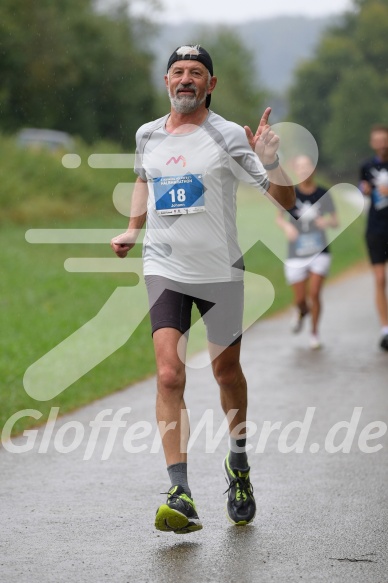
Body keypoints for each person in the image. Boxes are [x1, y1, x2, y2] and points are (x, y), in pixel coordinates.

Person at [111, 44, 295, 533]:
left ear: (210, 84)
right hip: (164, 267)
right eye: (178, 71)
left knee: (226, 371)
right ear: (166, 81)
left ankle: (238, 463)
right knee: (170, 374)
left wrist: (273, 162)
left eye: (196, 72)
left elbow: (283, 201)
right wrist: (133, 226)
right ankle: (180, 490)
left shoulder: (230, 134)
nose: (186, 78)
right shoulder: (147, 133)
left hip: (220, 271)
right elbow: (142, 180)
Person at [276, 155, 338, 349]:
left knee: (315, 293)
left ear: (314, 170)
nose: (304, 170)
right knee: (301, 299)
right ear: (296, 171)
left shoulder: (324, 193)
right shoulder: (289, 195)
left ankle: (314, 333)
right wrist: (287, 228)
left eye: (307, 166)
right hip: (296, 253)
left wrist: (326, 222)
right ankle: (300, 311)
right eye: (300, 167)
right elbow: (279, 218)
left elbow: (336, 221)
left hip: (320, 251)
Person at [359, 125, 388, 351]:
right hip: (376, 229)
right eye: (377, 141)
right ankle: (385, 329)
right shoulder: (366, 167)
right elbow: (363, 188)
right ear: (372, 143)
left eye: (384, 140)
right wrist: (365, 190)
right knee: (379, 279)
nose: (381, 144)